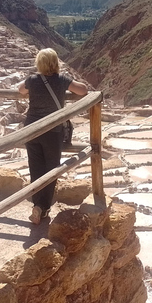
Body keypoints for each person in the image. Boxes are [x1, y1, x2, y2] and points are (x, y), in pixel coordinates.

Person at [18, 48, 87, 225]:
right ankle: (43, 208)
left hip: (31, 129)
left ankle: (37, 205)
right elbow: (82, 90)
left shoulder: (32, 80)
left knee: (35, 169)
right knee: (51, 170)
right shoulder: (61, 80)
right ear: (55, 62)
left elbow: (20, 90)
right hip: (52, 131)